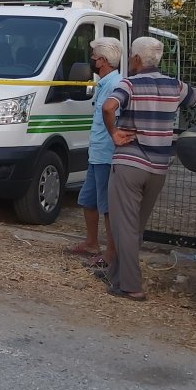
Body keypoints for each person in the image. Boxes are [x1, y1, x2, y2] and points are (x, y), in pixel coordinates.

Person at [100, 36, 196, 301]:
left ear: (136, 59)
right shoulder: (174, 85)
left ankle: (131, 286)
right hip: (159, 167)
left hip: (130, 163)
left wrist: (114, 132)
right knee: (135, 227)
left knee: (123, 226)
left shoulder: (130, 84)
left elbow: (109, 106)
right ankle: (116, 275)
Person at [66, 37, 124, 264]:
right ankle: (91, 243)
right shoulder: (104, 84)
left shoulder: (116, 85)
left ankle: (110, 252)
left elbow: (113, 118)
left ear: (103, 61)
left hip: (106, 155)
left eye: (94, 57)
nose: (91, 60)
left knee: (107, 205)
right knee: (88, 199)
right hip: (97, 153)